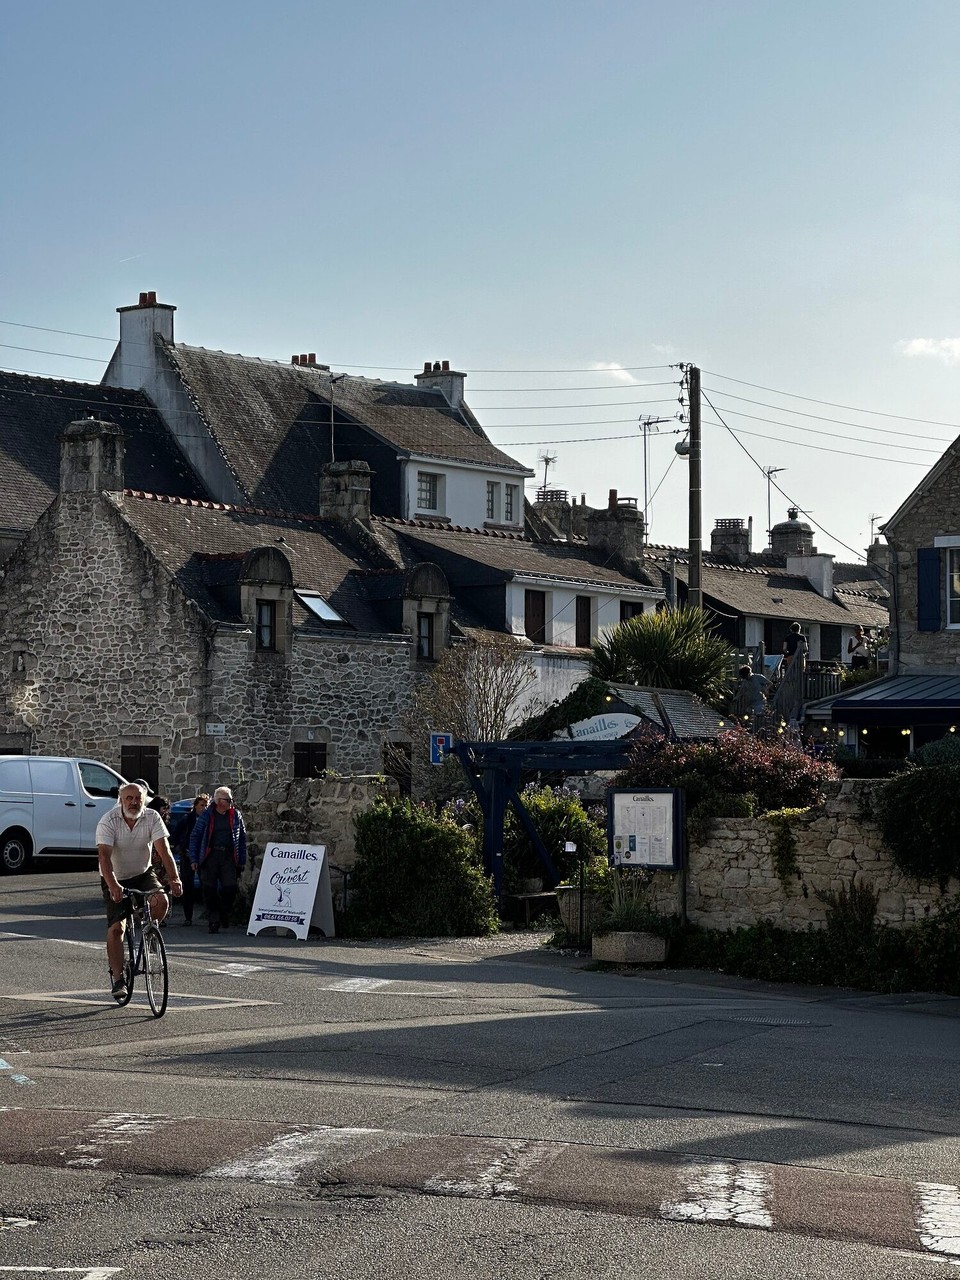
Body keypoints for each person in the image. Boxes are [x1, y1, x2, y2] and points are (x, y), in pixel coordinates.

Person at [97, 781, 182, 1002]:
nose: (134, 802)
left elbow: (164, 850)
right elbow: (104, 857)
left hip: (143, 873)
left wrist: (174, 878)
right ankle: (118, 978)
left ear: (144, 800)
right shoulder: (109, 820)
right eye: (129, 798)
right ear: (121, 800)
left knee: (161, 901)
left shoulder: (152, 817)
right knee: (117, 928)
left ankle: (147, 929)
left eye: (138, 798)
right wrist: (114, 885)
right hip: (114, 876)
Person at [188, 785, 247, 934]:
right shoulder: (207, 815)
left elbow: (241, 838)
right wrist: (194, 858)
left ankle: (223, 912)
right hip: (210, 856)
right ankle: (213, 920)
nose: (231, 802)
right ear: (220, 801)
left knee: (230, 887)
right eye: (228, 800)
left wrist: (241, 859)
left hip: (228, 856)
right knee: (209, 889)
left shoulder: (235, 815)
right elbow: (195, 836)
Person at [171, 793, 209, 927]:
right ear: (195, 806)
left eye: (206, 805)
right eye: (201, 805)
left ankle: (210, 916)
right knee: (188, 886)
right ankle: (188, 917)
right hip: (187, 856)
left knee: (206, 886)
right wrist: (179, 847)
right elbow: (175, 834)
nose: (204, 808)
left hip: (203, 857)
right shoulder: (188, 819)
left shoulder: (208, 820)